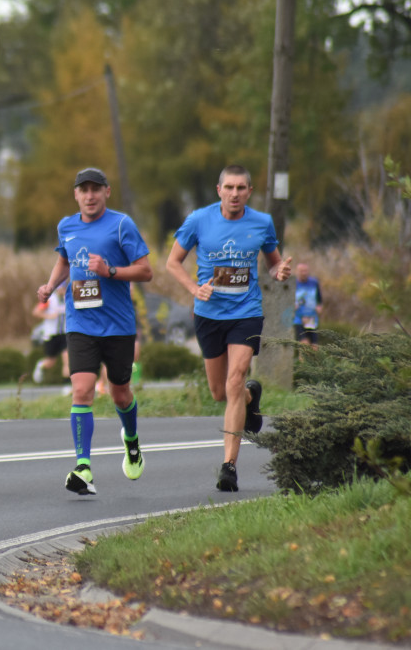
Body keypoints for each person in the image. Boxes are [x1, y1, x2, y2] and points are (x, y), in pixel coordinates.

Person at [165, 164, 291, 492]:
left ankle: (229, 467)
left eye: (241, 188)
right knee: (220, 392)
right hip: (208, 315)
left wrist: (279, 272)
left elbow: (273, 261)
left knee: (234, 381)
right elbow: (172, 263)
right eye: (229, 187)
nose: (235, 194)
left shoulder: (262, 222)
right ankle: (252, 396)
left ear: (249, 192)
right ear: (218, 189)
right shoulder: (198, 220)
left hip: (246, 313)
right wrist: (195, 289)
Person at [37, 167, 152, 496]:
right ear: (75, 194)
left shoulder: (121, 225)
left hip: (117, 326)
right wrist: (49, 285)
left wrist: (111, 270)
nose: (89, 195)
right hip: (80, 324)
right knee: (82, 391)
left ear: (107, 192)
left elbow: (146, 272)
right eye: (83, 190)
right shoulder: (66, 226)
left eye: (95, 189)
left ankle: (131, 441)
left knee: (120, 394)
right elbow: (64, 260)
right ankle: (83, 466)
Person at [31, 284, 68, 385]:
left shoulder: (68, 298)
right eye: (61, 289)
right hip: (51, 334)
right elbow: (36, 312)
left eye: (64, 288)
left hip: (64, 333)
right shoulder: (50, 300)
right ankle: (40, 366)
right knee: (51, 362)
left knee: (67, 358)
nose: (62, 291)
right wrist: (49, 316)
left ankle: (67, 386)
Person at [294, 263, 323, 350]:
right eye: (301, 271)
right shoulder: (293, 283)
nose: (304, 273)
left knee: (314, 346)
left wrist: (319, 307)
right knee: (304, 344)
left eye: (305, 271)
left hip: (311, 317)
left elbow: (319, 299)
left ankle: (313, 363)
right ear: (297, 272)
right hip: (298, 318)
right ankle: (302, 363)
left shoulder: (314, 282)